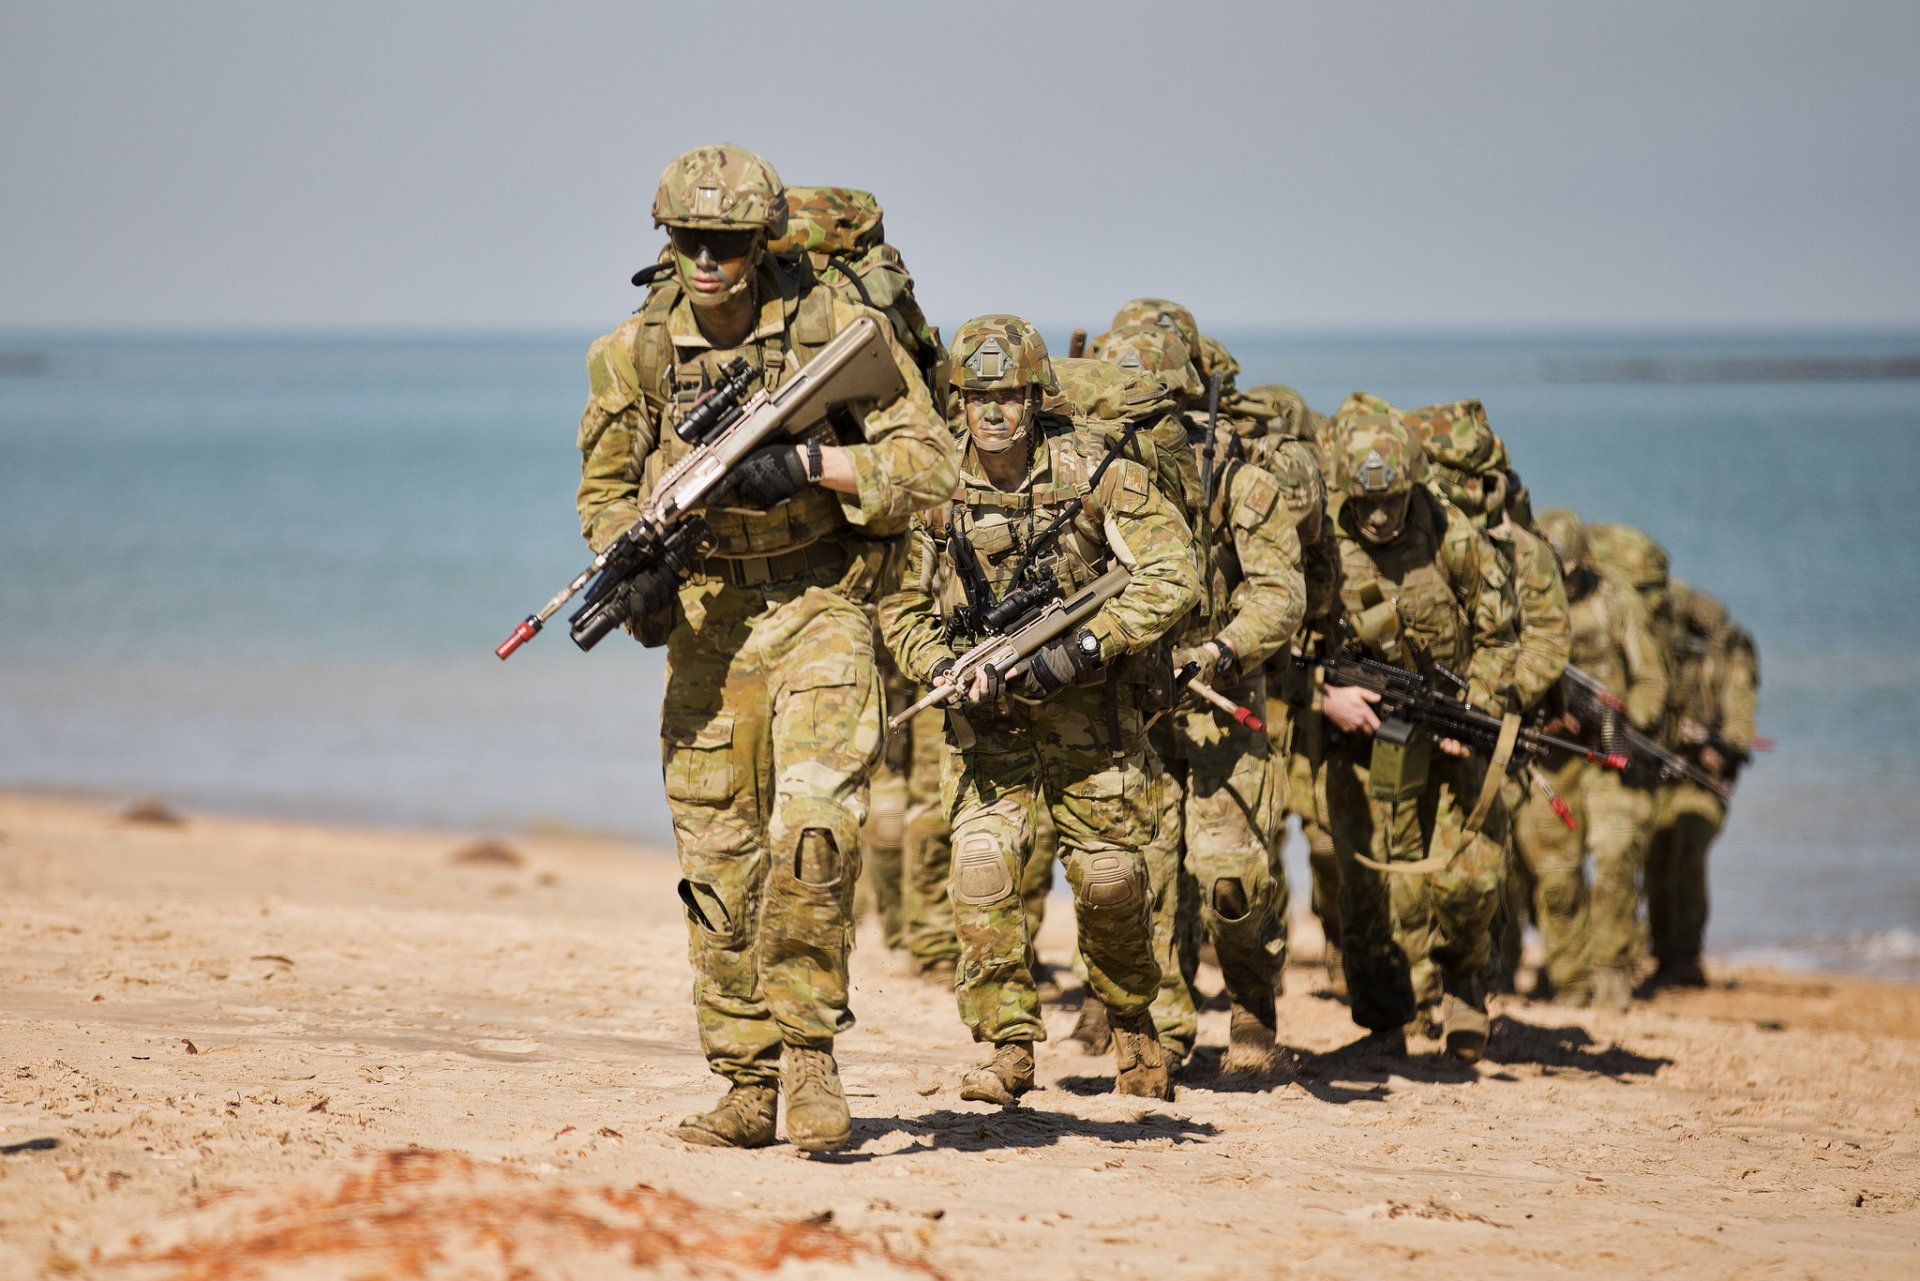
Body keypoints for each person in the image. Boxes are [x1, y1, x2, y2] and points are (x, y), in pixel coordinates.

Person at [575, 144, 957, 1152]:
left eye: (726, 242)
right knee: (719, 859)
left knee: (814, 830)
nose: (704, 259)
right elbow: (605, 495)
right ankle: (746, 1084)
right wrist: (637, 562)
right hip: (709, 625)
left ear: (759, 243)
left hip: (821, 602)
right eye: (687, 240)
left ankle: (809, 1055)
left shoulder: (835, 327)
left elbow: (930, 469)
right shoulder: (634, 353)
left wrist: (812, 465)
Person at [881, 314, 1199, 1104]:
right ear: (957, 401)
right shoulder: (934, 485)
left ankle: (1132, 1020)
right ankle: (1008, 1046)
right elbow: (898, 607)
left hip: (1094, 726)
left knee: (1113, 881)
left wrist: (1086, 649)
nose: (994, 413)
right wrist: (947, 668)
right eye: (978, 396)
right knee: (981, 870)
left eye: (1011, 396)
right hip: (992, 731)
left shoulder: (1096, 471)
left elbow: (1174, 571)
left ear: (1036, 396)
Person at [1098, 322, 1306, 1073]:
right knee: (1141, 884)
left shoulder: (1242, 482)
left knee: (1230, 882)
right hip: (1131, 709)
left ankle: (1252, 1008)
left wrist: (1222, 649)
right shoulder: (1089, 476)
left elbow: (1280, 593)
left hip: (1220, 706)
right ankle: (1162, 1034)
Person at [1314, 412, 1521, 1060]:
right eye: (1365, 503)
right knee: (1367, 887)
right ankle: (1385, 1024)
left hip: (1450, 724)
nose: (1378, 518)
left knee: (1469, 876)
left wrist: (1477, 708)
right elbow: (1288, 638)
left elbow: (1500, 634)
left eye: (1390, 501)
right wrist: (1326, 693)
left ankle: (1464, 981)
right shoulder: (1321, 545)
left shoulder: (1451, 535)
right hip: (1360, 736)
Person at [1517, 511, 1668, 1010]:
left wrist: (1624, 722)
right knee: (1556, 874)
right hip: (1551, 754)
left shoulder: (1614, 602)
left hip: (1609, 758)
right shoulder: (1523, 600)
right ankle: (1570, 982)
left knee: (1615, 857)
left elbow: (1650, 680)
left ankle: (1610, 974)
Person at [1646, 582, 1759, 987]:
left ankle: (1685, 955)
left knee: (1687, 854)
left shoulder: (1731, 652)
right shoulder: (1655, 640)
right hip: (1661, 776)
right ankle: (1663, 954)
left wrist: (1726, 747)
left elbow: (1740, 713)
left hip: (1704, 782)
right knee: (1655, 859)